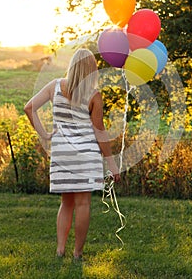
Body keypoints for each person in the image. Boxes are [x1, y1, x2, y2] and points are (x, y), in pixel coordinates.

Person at [24, 48, 120, 259]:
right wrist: (112, 164)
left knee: (65, 203)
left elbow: (29, 107)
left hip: (62, 156)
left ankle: (60, 250)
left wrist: (45, 134)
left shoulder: (55, 86)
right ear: (92, 69)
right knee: (83, 203)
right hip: (86, 155)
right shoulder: (93, 95)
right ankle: (77, 253)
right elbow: (99, 132)